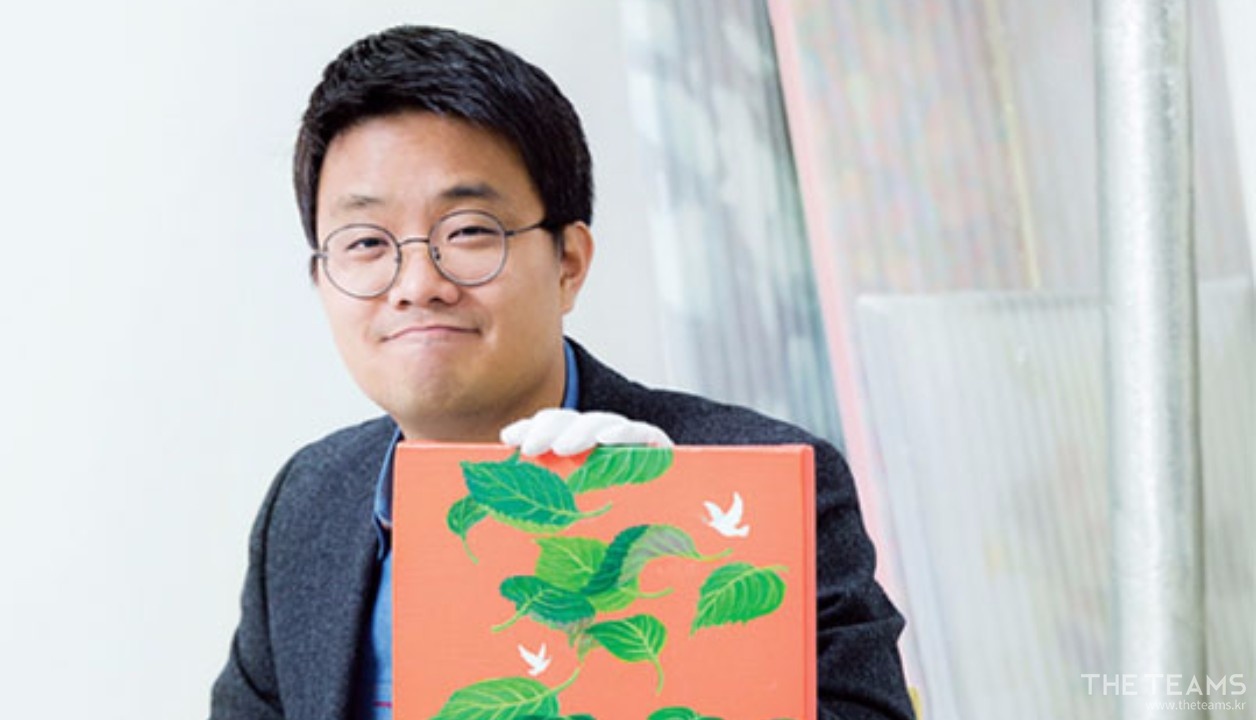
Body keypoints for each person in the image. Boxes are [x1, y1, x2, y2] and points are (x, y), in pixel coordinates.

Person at [210, 24, 913, 720]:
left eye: (468, 231)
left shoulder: (768, 483)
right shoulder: (308, 502)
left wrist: (664, 543)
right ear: (321, 276)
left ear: (569, 264)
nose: (417, 283)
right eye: (366, 242)